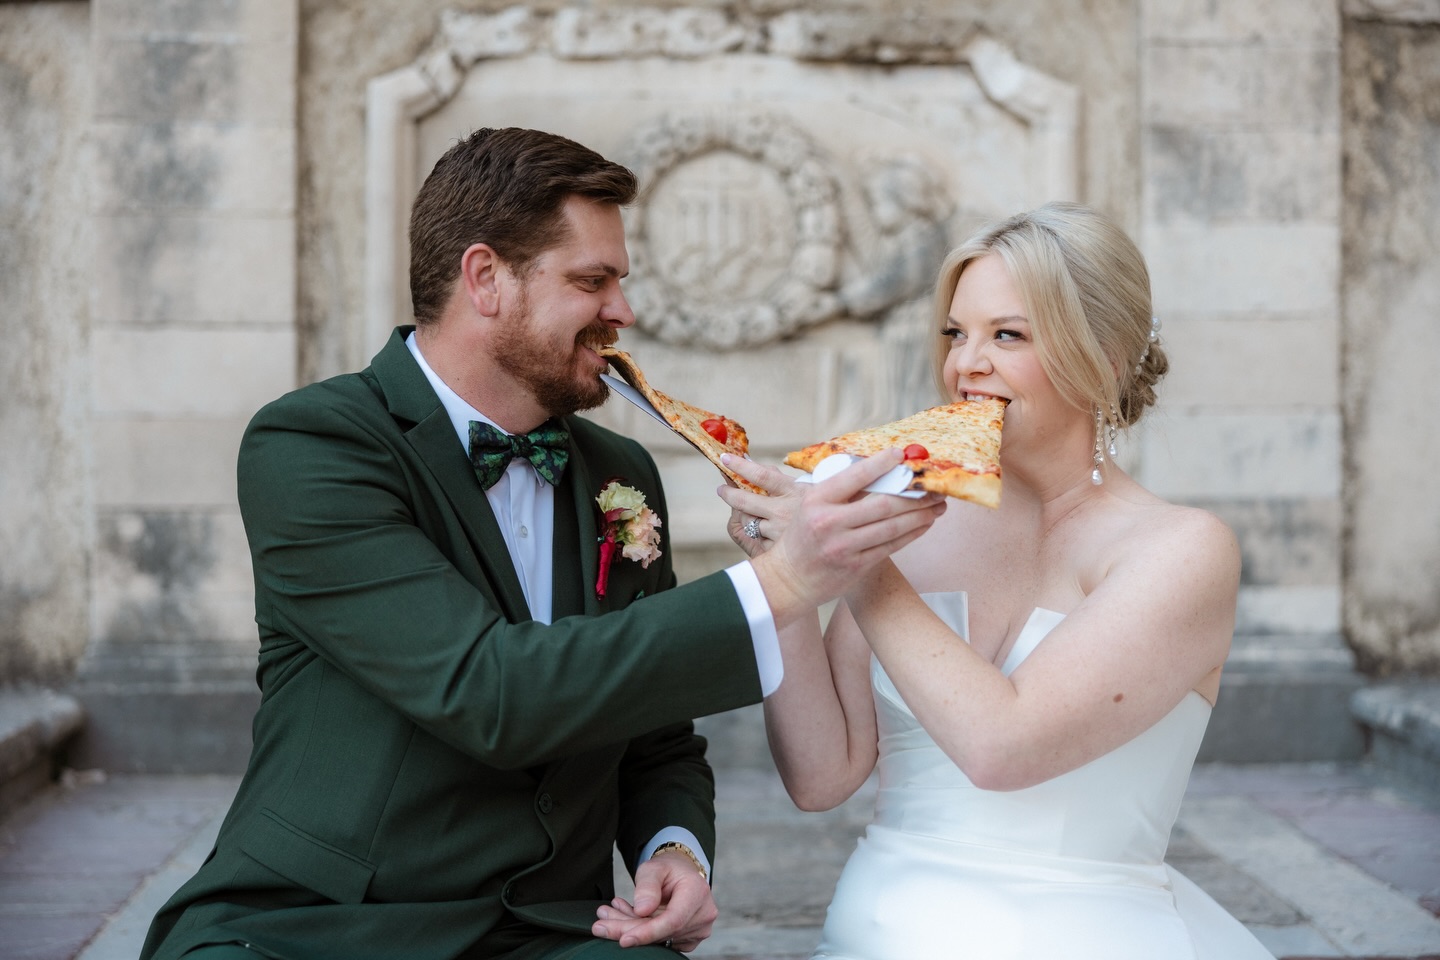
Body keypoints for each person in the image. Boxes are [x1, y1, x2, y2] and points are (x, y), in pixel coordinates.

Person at [139, 127, 945, 960]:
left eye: (619, 283)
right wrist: (782, 580)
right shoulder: (314, 445)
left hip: (556, 932)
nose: (622, 313)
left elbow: (658, 731)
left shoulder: (618, 470)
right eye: (592, 282)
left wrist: (675, 849)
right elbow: (489, 692)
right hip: (319, 924)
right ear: (486, 278)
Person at [719, 202, 1276, 959]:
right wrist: (783, 567)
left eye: (1006, 335)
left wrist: (857, 562)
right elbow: (821, 777)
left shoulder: (1182, 550)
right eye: (957, 334)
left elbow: (1001, 750)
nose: (963, 364)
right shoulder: (917, 522)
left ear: (1105, 355)